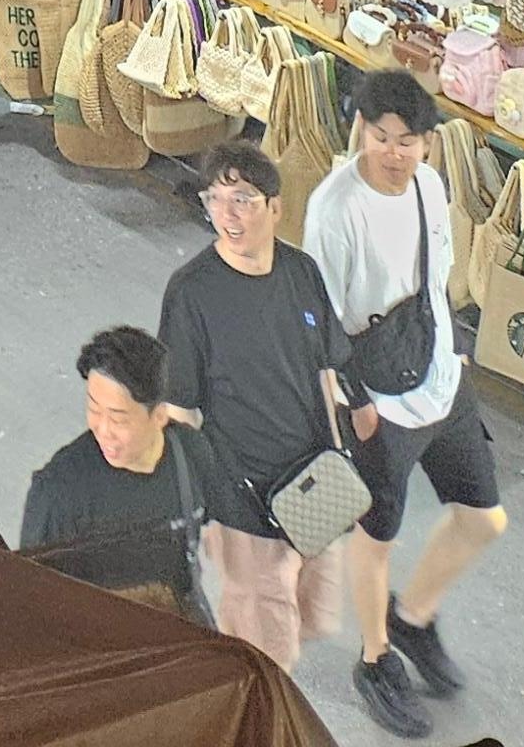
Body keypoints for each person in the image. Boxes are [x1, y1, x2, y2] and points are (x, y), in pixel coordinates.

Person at [303, 71, 507, 733]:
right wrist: (352, 400)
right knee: (376, 534)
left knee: (483, 519)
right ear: (361, 129)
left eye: (406, 140)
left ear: (427, 142)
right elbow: (318, 317)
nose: (392, 152)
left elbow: (437, 275)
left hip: (441, 376)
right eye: (379, 136)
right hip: (377, 396)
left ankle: (412, 618)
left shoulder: (428, 185)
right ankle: (374, 657)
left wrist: (452, 349)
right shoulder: (335, 209)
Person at [157, 141, 362, 684]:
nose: (226, 214)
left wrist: (345, 449)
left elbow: (327, 370)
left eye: (243, 199)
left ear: (275, 207)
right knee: (261, 658)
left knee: (313, 615)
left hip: (316, 483)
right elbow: (179, 411)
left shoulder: (300, 271)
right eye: (215, 198)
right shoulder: (191, 293)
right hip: (244, 500)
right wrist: (198, 507)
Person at [18, 326, 208, 611]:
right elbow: (32, 595)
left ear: (159, 416)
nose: (102, 430)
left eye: (118, 419)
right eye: (94, 410)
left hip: (174, 636)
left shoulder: (192, 454)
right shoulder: (58, 490)